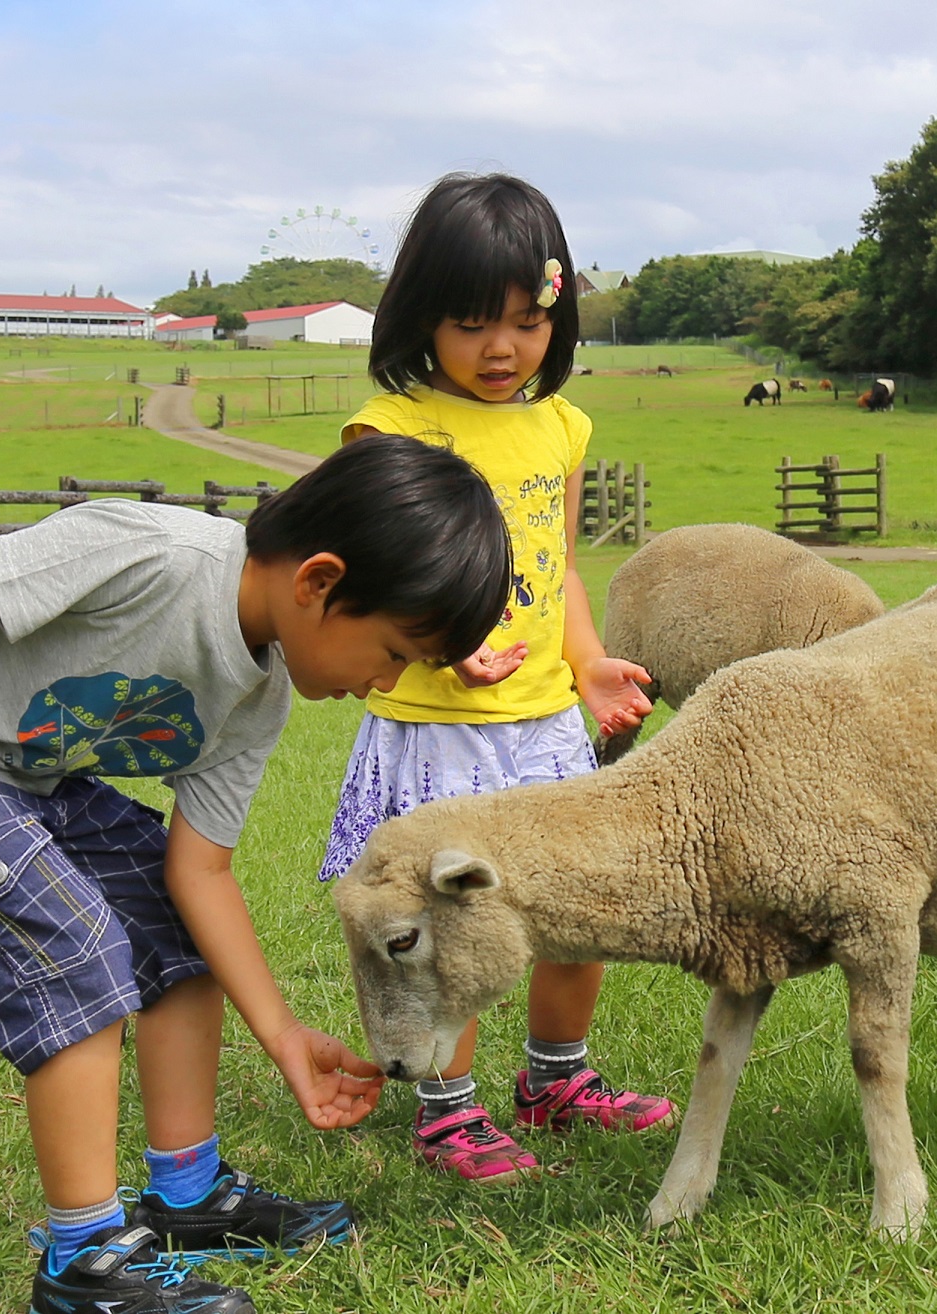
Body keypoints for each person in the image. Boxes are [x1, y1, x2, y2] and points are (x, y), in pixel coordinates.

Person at [0, 435, 513, 1314]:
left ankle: (186, 1194)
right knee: (73, 944)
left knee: (171, 921)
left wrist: (284, 1037)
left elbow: (200, 872)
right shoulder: (156, 552)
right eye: (395, 651)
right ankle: (83, 1265)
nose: (385, 682)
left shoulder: (257, 696)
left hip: (23, 770)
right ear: (320, 582)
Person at [319, 172, 675, 1183]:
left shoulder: (559, 428)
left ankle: (556, 1078)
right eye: (472, 323)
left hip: (542, 719)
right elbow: (366, 582)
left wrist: (589, 662)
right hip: (440, 724)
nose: (501, 348)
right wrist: (441, 641)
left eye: (526, 321)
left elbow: (557, 570)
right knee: (448, 922)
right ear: (422, 316)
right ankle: (448, 1111)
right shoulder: (388, 431)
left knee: (582, 903)